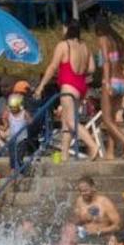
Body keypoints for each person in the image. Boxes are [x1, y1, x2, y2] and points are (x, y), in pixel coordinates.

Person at [37, 20, 98, 158]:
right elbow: (92, 68)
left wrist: (41, 86)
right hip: (81, 85)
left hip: (69, 85)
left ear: (67, 29)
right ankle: (64, 155)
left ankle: (92, 145)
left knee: (70, 121)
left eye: (63, 28)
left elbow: (52, 66)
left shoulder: (63, 45)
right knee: (66, 122)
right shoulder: (84, 46)